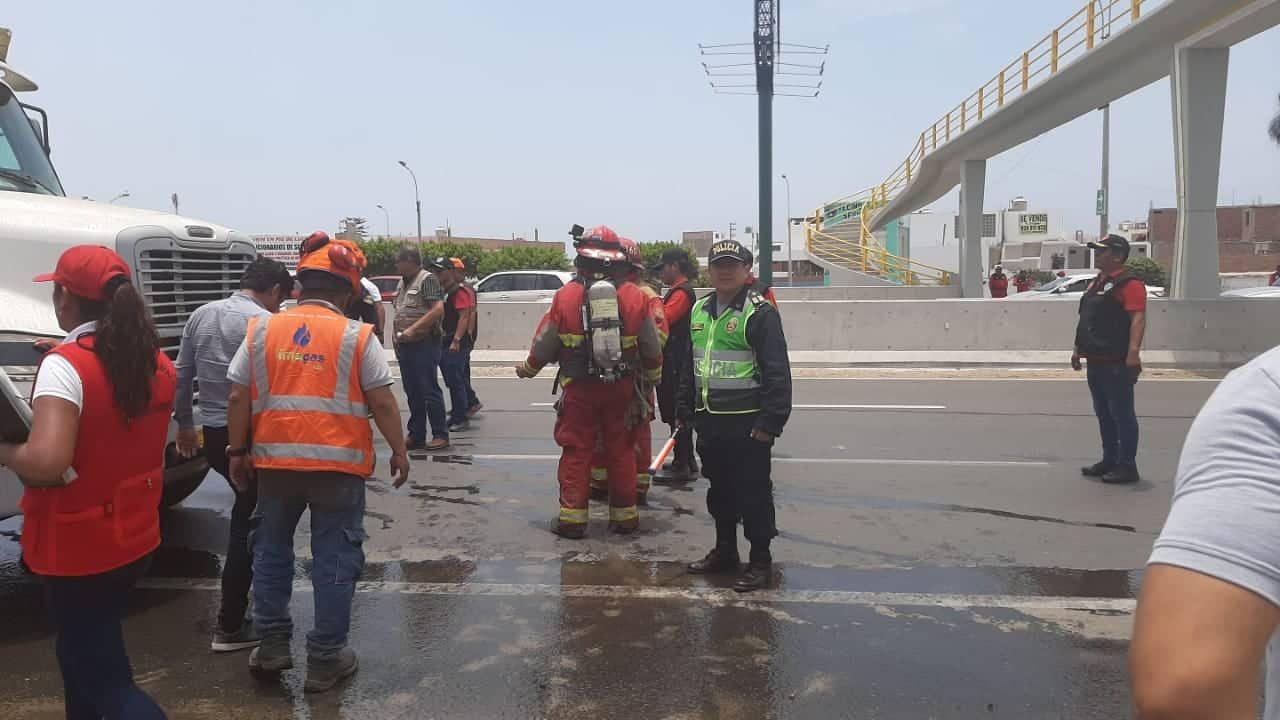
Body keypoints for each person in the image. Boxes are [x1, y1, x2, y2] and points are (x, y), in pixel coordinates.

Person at [226, 236, 410, 693]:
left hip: (275, 466)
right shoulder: (355, 335)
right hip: (338, 470)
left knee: (270, 554)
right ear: (348, 293)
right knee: (334, 559)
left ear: (297, 287)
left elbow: (236, 394)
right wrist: (401, 451)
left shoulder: (263, 330)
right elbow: (383, 402)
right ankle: (326, 660)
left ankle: (271, 647)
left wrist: (235, 452)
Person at [2, 245, 174, 719]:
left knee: (107, 681)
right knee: (84, 656)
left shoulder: (67, 366)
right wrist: (62, 357)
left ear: (65, 300)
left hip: (78, 546)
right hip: (134, 537)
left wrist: (4, 450)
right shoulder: (156, 363)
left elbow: (46, 463)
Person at [1129, 344, 1280, 719]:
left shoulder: (1268, 389)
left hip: (1115, 360)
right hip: (1100, 359)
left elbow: (1185, 690)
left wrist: (1131, 350)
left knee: (1117, 412)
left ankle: (1121, 461)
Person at [174, 257, 294, 653]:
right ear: (275, 291)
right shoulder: (266, 323)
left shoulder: (201, 315)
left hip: (212, 431)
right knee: (252, 524)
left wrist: (186, 425)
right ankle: (231, 623)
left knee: (249, 513)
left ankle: (244, 615)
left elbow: (182, 373)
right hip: (251, 433)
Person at [516, 225, 663, 538]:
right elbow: (651, 347)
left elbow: (545, 343)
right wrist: (651, 378)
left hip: (579, 389)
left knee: (576, 450)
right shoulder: (635, 297)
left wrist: (528, 368)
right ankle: (624, 518)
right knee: (621, 449)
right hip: (621, 388)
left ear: (582, 261)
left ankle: (572, 520)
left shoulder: (565, 296)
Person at [680, 239, 792, 593]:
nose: (725, 270)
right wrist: (685, 410)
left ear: (747, 270)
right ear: (709, 271)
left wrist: (770, 424)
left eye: (733, 264)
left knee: (754, 495)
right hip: (710, 421)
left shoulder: (760, 313)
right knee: (720, 491)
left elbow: (778, 373)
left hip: (748, 425)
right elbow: (689, 367)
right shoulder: (698, 310)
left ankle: (760, 561)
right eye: (719, 265)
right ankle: (725, 550)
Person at [589, 239, 667, 505]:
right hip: (635, 378)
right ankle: (626, 486)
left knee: (614, 432)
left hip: (624, 378)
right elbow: (658, 338)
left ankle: (622, 484)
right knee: (632, 434)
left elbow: (658, 336)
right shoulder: (640, 294)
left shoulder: (609, 292)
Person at [1072, 234, 1146, 484]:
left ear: (1117, 255)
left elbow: (1138, 318)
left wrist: (1133, 353)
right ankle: (1109, 459)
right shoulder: (1097, 283)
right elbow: (1086, 319)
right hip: (1095, 358)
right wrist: (1077, 350)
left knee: (1122, 414)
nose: (1097, 254)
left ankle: (1127, 465)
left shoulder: (1129, 284)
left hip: (1116, 360)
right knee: (1103, 413)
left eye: (1102, 251)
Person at [391, 246, 450, 451]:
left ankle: (440, 433)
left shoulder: (427, 279)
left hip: (424, 343)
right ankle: (416, 434)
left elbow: (438, 309)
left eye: (399, 261)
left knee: (428, 389)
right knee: (412, 391)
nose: (396, 265)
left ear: (411, 261)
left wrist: (414, 329)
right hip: (406, 345)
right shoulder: (402, 282)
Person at [652, 248, 699, 481]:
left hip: (677, 363)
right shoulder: (675, 292)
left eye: (662, 268)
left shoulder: (682, 293)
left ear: (674, 266)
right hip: (673, 361)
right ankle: (685, 460)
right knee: (673, 412)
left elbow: (664, 320)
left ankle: (684, 463)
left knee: (677, 411)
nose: (661, 273)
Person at [428, 257, 478, 432]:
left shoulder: (459, 291)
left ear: (450, 272)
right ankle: (458, 412)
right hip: (444, 340)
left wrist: (457, 340)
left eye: (440, 271)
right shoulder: (444, 291)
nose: (436, 274)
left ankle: (461, 417)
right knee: (452, 379)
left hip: (455, 342)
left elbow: (464, 316)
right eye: (434, 271)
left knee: (455, 380)